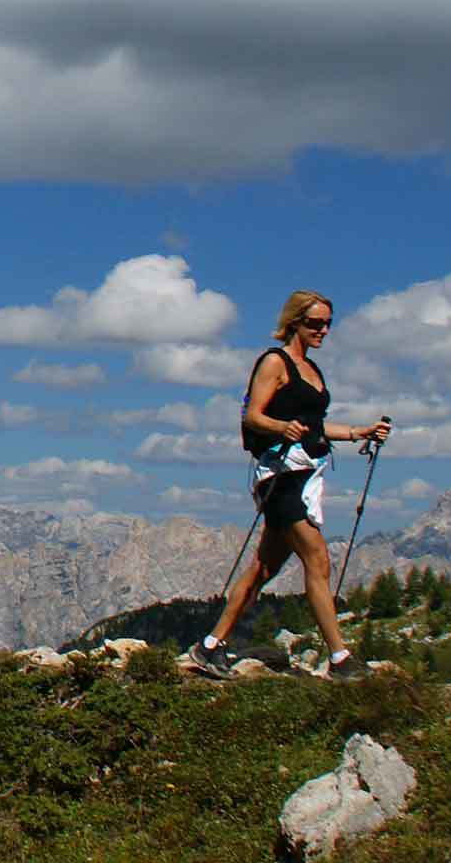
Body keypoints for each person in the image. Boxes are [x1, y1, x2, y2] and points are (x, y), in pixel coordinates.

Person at [185, 290, 390, 681]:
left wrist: (359, 432)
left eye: (328, 323)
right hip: (280, 476)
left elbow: (315, 426)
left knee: (264, 568)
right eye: (315, 323)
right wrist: (283, 427)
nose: (323, 330)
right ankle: (340, 658)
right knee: (318, 559)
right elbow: (252, 417)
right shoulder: (274, 362)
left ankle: (210, 646)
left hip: (305, 474)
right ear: (294, 321)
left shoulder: (312, 370)